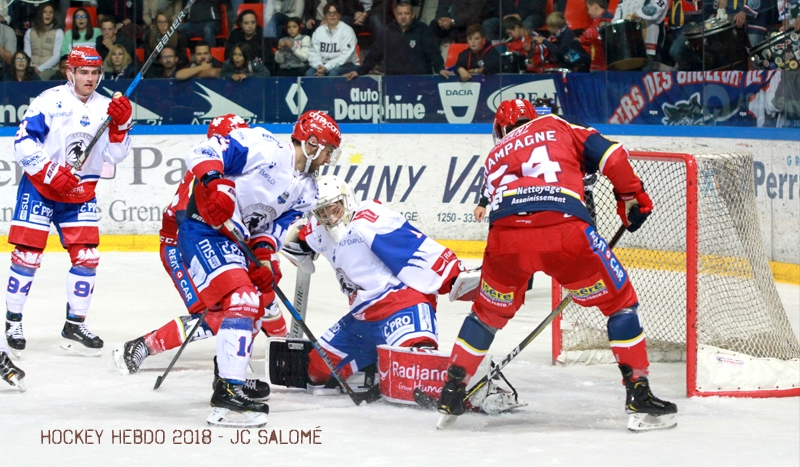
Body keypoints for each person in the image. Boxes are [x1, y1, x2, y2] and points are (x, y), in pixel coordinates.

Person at [435, 98, 677, 431]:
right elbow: (613, 156)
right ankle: (639, 393)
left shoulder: (494, 155)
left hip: (505, 241)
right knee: (620, 304)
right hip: (564, 232)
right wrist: (632, 196)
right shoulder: (557, 125)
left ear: (500, 130)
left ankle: (451, 391)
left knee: (485, 315)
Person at [146, 110, 341, 427]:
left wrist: (264, 256)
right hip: (203, 228)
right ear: (313, 142)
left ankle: (228, 386)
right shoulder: (264, 145)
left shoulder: (308, 191)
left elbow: (275, 227)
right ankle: (227, 395)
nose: (329, 158)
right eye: (329, 149)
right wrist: (216, 183)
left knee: (252, 302)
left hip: (239, 243)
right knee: (241, 299)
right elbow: (205, 152)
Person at [112, 116, 295, 405]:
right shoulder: (204, 176)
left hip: (228, 243)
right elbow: (192, 222)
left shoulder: (244, 170)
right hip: (182, 244)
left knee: (253, 300)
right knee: (217, 314)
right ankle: (142, 346)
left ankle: (231, 369)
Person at [268, 175, 474, 390]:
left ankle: (472, 385)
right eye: (322, 212)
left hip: (401, 306)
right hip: (363, 318)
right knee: (317, 372)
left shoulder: (371, 218)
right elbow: (299, 236)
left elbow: (414, 247)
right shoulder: (319, 227)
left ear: (346, 200)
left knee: (416, 374)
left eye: (334, 209)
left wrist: (456, 277)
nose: (329, 217)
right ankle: (374, 364)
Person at [5, 46, 132, 359]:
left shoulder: (107, 106)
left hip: (79, 191)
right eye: (83, 72)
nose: (90, 78)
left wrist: (122, 126)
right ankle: (13, 321)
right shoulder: (50, 100)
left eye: (94, 73)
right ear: (70, 73)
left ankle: (74, 325)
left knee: (87, 257)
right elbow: (22, 142)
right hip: (41, 188)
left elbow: (116, 156)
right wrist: (49, 172)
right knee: (28, 257)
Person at [343, 1, 454, 80]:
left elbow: (433, 52)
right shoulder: (388, 31)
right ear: (395, 15)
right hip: (394, 80)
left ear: (412, 15)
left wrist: (440, 69)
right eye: (400, 14)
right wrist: (359, 71)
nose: (403, 17)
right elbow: (374, 54)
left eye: (406, 13)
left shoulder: (423, 29)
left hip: (420, 80)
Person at [306, 2, 360, 77]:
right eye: (329, 13)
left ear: (340, 15)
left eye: (335, 12)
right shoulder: (318, 31)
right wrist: (319, 66)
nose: (332, 15)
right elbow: (313, 53)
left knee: (333, 73)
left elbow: (345, 56)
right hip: (323, 64)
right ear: (325, 16)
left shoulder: (347, 31)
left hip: (347, 64)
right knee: (309, 74)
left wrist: (327, 67)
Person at [613, 0, 668, 67]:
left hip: (649, 44)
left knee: (645, 73)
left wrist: (640, 13)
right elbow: (619, 10)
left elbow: (658, 6)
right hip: (630, 44)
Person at [224, 8, 275, 73]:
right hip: (237, 69)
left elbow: (268, 58)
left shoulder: (262, 34)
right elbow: (228, 55)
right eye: (246, 23)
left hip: (258, 71)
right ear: (241, 24)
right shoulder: (235, 34)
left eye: (253, 22)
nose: (250, 26)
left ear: (256, 23)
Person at [23, 2, 63, 80]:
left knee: (39, 78)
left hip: (50, 69)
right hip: (32, 69)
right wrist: (31, 68)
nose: (48, 14)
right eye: (45, 12)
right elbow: (27, 55)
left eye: (51, 12)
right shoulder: (30, 32)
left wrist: (40, 69)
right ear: (40, 14)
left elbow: (56, 56)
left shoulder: (58, 32)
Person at [580, 0, 614, 72]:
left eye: (588, 8)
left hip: (605, 66)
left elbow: (603, 34)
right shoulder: (596, 21)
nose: (588, 12)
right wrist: (580, 39)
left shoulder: (606, 18)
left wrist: (586, 32)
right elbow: (592, 38)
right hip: (597, 64)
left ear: (595, 6)